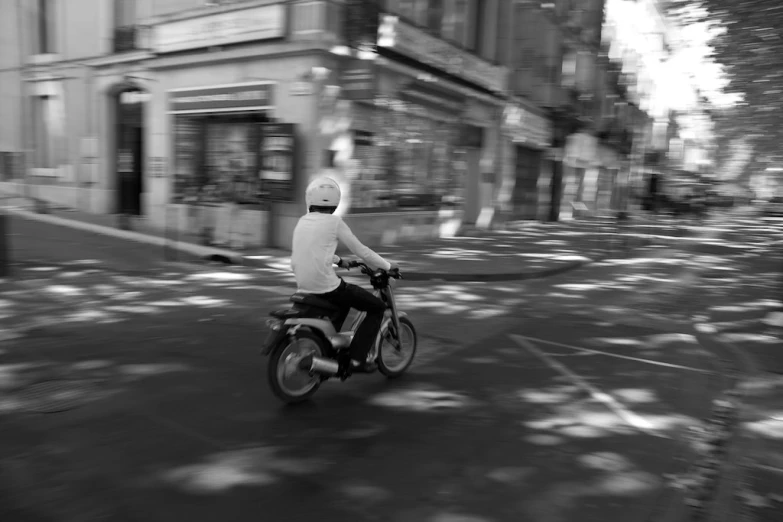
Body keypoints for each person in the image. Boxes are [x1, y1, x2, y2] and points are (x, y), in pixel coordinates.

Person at [291, 175, 396, 373]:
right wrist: (388, 266)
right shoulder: (335, 223)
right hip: (325, 285)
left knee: (345, 298)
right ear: (335, 202)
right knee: (377, 308)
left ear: (309, 199)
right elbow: (362, 251)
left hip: (303, 283)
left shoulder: (302, 221)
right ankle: (357, 360)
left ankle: (331, 344)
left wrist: (339, 261)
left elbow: (313, 249)